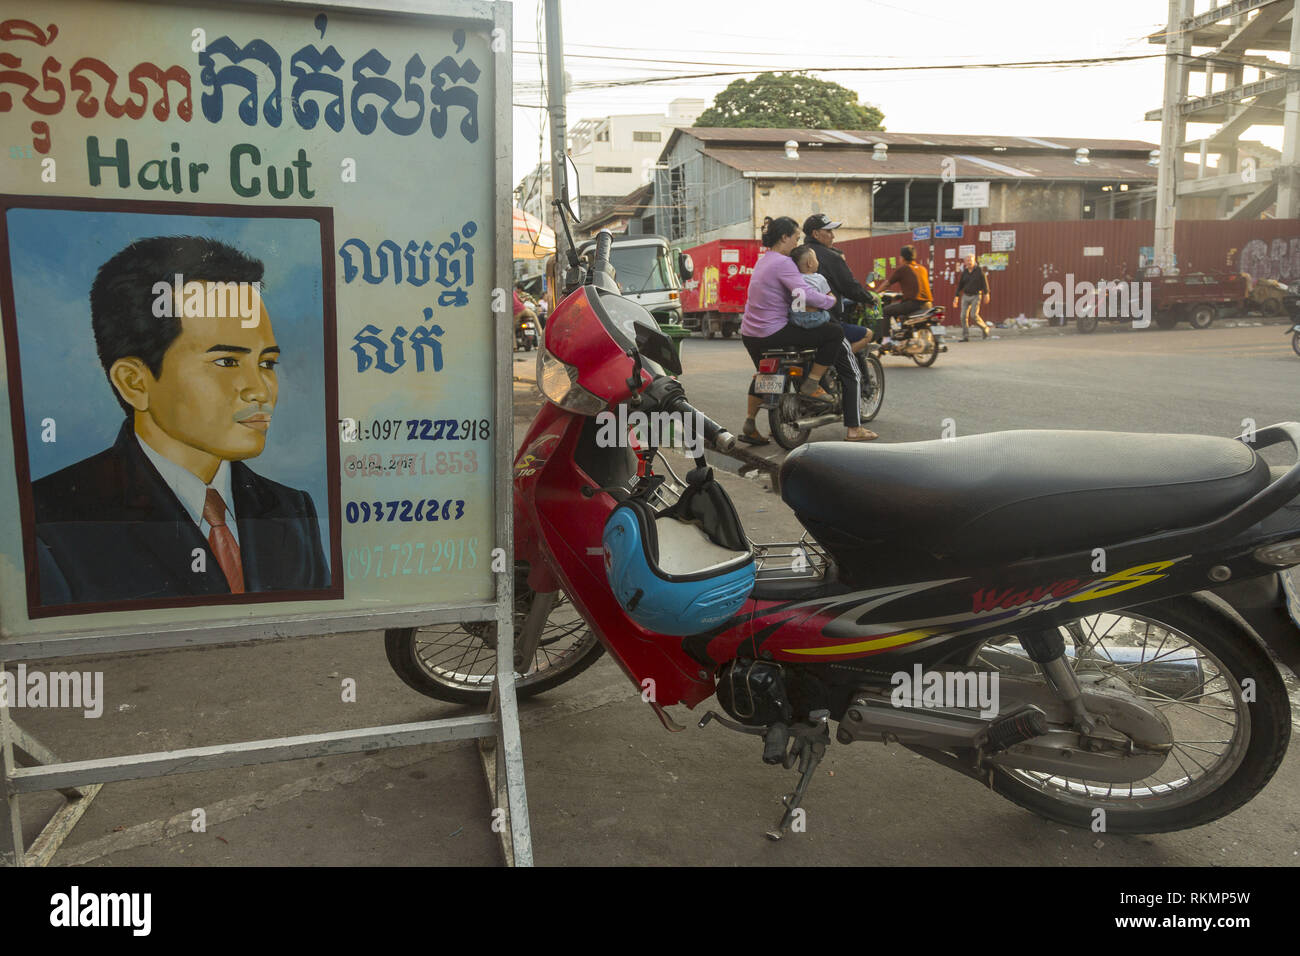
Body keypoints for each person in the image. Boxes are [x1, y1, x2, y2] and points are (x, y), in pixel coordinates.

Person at [32, 236, 331, 608]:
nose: (260, 390)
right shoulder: (49, 522)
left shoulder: (290, 509)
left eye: (267, 363)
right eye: (226, 362)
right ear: (134, 382)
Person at [738, 217, 875, 444]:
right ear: (784, 237)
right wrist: (830, 302)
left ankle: (750, 422)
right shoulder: (784, 262)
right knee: (834, 333)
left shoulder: (764, 260)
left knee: (765, 374)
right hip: (773, 333)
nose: (797, 242)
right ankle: (812, 383)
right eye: (795, 237)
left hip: (750, 335)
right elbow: (804, 294)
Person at [802, 213, 873, 350]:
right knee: (867, 335)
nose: (833, 236)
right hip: (828, 320)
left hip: (798, 321)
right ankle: (841, 361)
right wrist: (869, 298)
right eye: (828, 231)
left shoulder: (798, 254)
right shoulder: (831, 257)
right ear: (816, 234)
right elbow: (849, 286)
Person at [790, 245, 870, 354]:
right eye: (816, 259)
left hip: (795, 319)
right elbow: (830, 298)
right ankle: (840, 357)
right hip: (814, 320)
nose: (818, 261)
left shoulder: (793, 279)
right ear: (810, 263)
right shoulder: (819, 278)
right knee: (828, 316)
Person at [869, 245, 933, 345]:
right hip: (928, 304)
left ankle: (886, 340)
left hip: (913, 304)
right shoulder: (922, 269)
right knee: (901, 310)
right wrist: (901, 296)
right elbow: (916, 286)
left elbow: (887, 283)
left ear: (902, 258)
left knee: (885, 311)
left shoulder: (903, 269)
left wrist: (875, 293)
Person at [952, 254, 991, 340]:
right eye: (967, 261)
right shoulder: (964, 272)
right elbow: (960, 285)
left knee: (973, 315)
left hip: (976, 296)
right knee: (963, 316)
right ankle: (965, 336)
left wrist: (986, 293)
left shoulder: (979, 271)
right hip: (966, 296)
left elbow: (984, 282)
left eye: (970, 260)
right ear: (965, 262)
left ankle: (984, 328)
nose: (969, 262)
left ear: (974, 261)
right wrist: (956, 297)